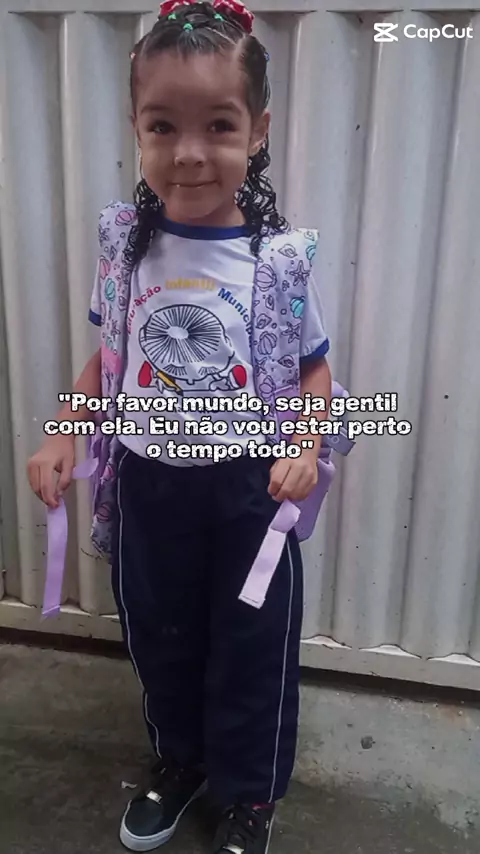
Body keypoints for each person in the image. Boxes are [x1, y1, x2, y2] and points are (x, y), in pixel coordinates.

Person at [27, 1, 332, 851]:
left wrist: (305, 443)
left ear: (258, 131)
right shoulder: (127, 247)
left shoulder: (278, 260)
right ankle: (182, 760)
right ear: (137, 127)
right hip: (148, 486)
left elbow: (314, 368)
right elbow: (108, 359)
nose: (189, 152)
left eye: (219, 125)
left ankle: (248, 795)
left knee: (251, 643)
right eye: (163, 125)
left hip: (247, 490)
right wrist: (63, 432)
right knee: (159, 636)